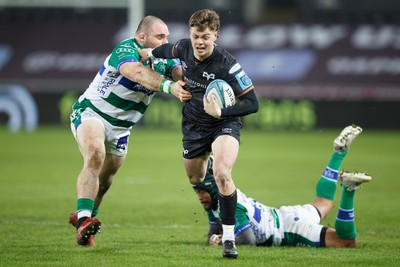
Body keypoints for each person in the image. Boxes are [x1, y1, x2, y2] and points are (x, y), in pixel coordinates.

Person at [140, 9, 259, 258]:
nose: (199, 42)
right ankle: (213, 220)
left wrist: (222, 113)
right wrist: (147, 54)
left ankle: (229, 238)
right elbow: (164, 50)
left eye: (205, 36)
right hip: (194, 126)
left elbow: (252, 104)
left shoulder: (227, 64)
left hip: (223, 124)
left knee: (222, 174)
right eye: (195, 36)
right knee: (196, 179)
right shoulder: (183, 48)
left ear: (215, 35)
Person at [68, 15, 191, 247]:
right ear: (142, 37)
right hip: (92, 113)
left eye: (167, 36)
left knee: (106, 181)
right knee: (95, 154)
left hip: (122, 129)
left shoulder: (165, 57)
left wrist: (207, 82)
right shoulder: (126, 48)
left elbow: (181, 76)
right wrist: (169, 86)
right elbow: (135, 72)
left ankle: (83, 215)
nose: (166, 40)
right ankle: (85, 221)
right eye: (160, 36)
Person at [193, 125, 372, 248]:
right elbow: (214, 229)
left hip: (291, 230)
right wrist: (214, 237)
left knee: (347, 242)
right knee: (324, 201)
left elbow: (248, 239)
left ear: (213, 187)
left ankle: (348, 190)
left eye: (203, 191)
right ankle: (338, 153)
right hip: (285, 214)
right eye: (197, 191)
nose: (200, 196)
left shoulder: (230, 206)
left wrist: (223, 240)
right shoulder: (216, 199)